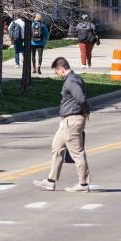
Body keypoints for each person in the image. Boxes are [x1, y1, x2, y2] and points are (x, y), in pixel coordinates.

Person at [33, 57, 91, 192]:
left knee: (77, 153)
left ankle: (83, 184)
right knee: (56, 147)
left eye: (56, 72)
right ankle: (50, 181)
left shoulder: (71, 81)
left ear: (61, 69)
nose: (56, 75)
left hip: (72, 120)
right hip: (66, 122)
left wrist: (86, 111)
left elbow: (81, 98)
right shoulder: (76, 78)